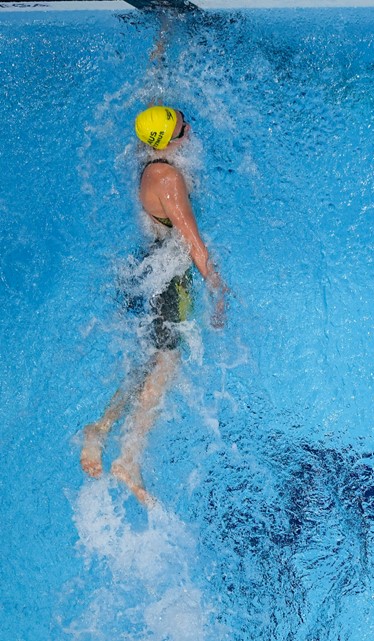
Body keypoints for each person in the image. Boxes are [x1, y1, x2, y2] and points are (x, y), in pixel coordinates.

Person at [80, 105, 227, 505]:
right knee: (166, 363)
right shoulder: (170, 179)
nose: (188, 123)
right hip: (168, 278)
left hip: (145, 266)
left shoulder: (148, 161)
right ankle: (129, 457)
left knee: (149, 359)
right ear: (172, 139)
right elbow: (193, 241)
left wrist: (161, 42)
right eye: (182, 123)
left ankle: (102, 427)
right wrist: (218, 288)